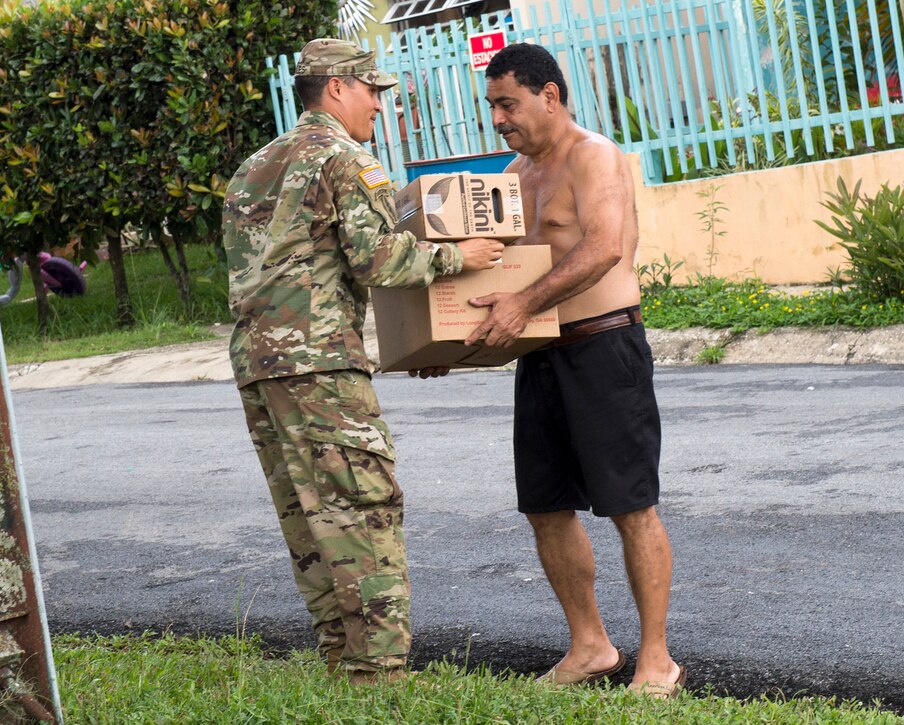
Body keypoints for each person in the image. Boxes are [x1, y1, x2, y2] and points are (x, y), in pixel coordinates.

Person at [222, 38, 504, 684]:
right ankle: (377, 673)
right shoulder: (346, 160)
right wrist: (464, 255)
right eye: (371, 90)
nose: (379, 104)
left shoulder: (253, 168)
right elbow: (379, 260)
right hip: (322, 362)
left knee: (307, 514)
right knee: (364, 506)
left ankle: (340, 658)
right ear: (336, 89)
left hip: (258, 366)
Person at [464, 43, 685, 698]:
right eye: (493, 106)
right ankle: (590, 645)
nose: (499, 118)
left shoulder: (594, 155)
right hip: (540, 357)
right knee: (546, 506)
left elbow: (602, 247)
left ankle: (656, 658)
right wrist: (445, 348)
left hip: (603, 348)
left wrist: (523, 304)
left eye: (508, 103)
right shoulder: (515, 175)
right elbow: (493, 280)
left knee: (630, 505)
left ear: (549, 96)